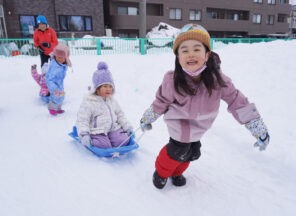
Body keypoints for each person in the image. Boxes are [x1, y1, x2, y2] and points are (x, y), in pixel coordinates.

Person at [139, 24, 270, 189]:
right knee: (177, 151)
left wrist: (256, 126)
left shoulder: (218, 81)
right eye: (184, 50)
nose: (191, 54)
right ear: (178, 57)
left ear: (207, 54)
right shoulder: (172, 81)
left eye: (196, 49)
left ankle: (176, 172)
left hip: (200, 128)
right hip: (179, 126)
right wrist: (147, 118)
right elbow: (161, 101)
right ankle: (161, 173)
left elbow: (237, 101)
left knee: (192, 152)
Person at [76, 62, 133, 149]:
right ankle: (93, 140)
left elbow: (120, 115)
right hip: (97, 131)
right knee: (104, 145)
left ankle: (111, 140)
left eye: (110, 86)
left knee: (123, 141)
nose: (108, 89)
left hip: (113, 129)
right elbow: (82, 120)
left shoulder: (112, 101)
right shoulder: (89, 102)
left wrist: (127, 127)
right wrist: (84, 134)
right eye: (105, 86)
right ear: (97, 88)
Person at [46, 44, 71, 116]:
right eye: (58, 57)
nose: (60, 59)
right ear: (55, 56)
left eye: (62, 58)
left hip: (59, 83)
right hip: (53, 84)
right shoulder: (54, 66)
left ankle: (58, 109)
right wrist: (54, 88)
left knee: (61, 96)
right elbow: (49, 79)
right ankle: (52, 109)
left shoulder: (62, 64)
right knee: (55, 97)